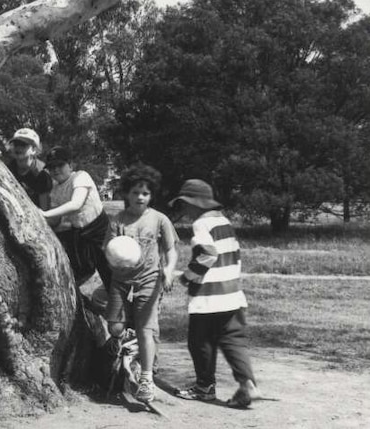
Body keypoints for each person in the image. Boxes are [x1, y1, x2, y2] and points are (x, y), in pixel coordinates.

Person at [168, 179, 261, 408]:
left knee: (200, 342)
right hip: (232, 293)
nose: (184, 210)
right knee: (233, 340)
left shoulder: (201, 224)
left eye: (184, 204)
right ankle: (246, 383)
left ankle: (204, 387)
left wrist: (187, 276)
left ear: (195, 203)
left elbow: (208, 255)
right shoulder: (223, 220)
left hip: (209, 297)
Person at [105, 164, 178, 403]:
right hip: (120, 281)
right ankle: (131, 348)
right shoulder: (118, 220)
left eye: (145, 193)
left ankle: (146, 378)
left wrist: (168, 270)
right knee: (115, 328)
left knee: (146, 327)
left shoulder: (159, 220)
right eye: (135, 192)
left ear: (151, 195)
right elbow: (109, 249)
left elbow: (171, 250)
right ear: (126, 193)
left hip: (149, 280)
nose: (140, 197)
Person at [40, 147, 111, 288]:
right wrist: (40, 221)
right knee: (79, 270)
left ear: (70, 165)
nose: (55, 170)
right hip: (80, 233)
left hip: (100, 230)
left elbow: (76, 204)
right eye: (51, 167)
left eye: (60, 165)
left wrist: (45, 213)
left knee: (109, 271)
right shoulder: (55, 189)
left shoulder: (80, 176)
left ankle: (125, 304)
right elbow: (56, 219)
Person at [4, 128, 52, 209]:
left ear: (34, 149)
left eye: (23, 145)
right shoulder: (8, 168)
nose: (18, 148)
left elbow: (45, 208)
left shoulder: (42, 174)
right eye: (16, 144)